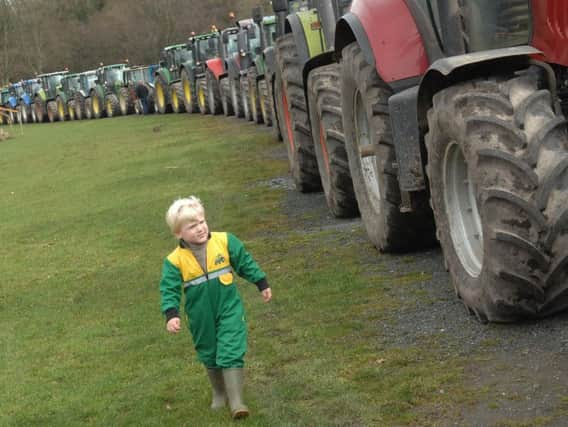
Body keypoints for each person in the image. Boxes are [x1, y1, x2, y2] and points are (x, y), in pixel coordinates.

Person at [159, 196, 272, 419]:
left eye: (202, 222)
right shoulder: (174, 261)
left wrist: (261, 282)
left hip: (228, 307)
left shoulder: (225, 241)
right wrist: (171, 314)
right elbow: (169, 289)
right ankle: (220, 393)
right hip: (200, 315)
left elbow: (245, 263)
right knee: (209, 352)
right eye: (192, 226)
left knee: (231, 347)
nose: (200, 228)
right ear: (178, 234)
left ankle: (237, 402)